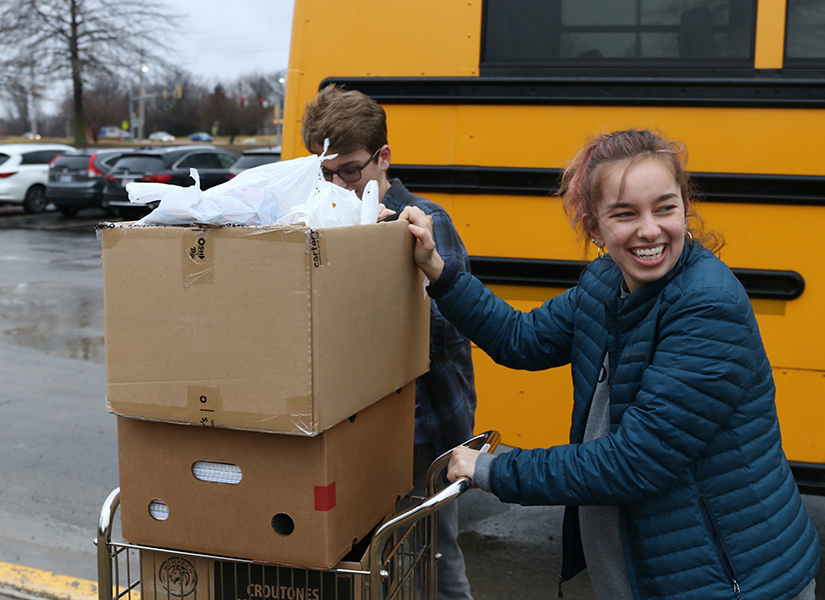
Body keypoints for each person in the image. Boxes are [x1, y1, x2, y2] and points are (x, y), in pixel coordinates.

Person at [400, 129, 821, 600]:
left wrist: (495, 470)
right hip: (661, 570)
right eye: (625, 214)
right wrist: (440, 269)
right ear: (594, 227)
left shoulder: (707, 306)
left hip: (732, 581)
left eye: (665, 207)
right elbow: (522, 340)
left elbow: (635, 462)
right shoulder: (606, 282)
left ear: (686, 207)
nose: (649, 230)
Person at [301, 84, 478, 600]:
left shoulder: (424, 220)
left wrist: (392, 257)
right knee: (375, 566)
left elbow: (446, 336)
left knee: (434, 560)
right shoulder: (326, 217)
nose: (338, 183)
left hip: (425, 427)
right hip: (360, 426)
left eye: (350, 170)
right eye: (324, 171)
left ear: (383, 158)